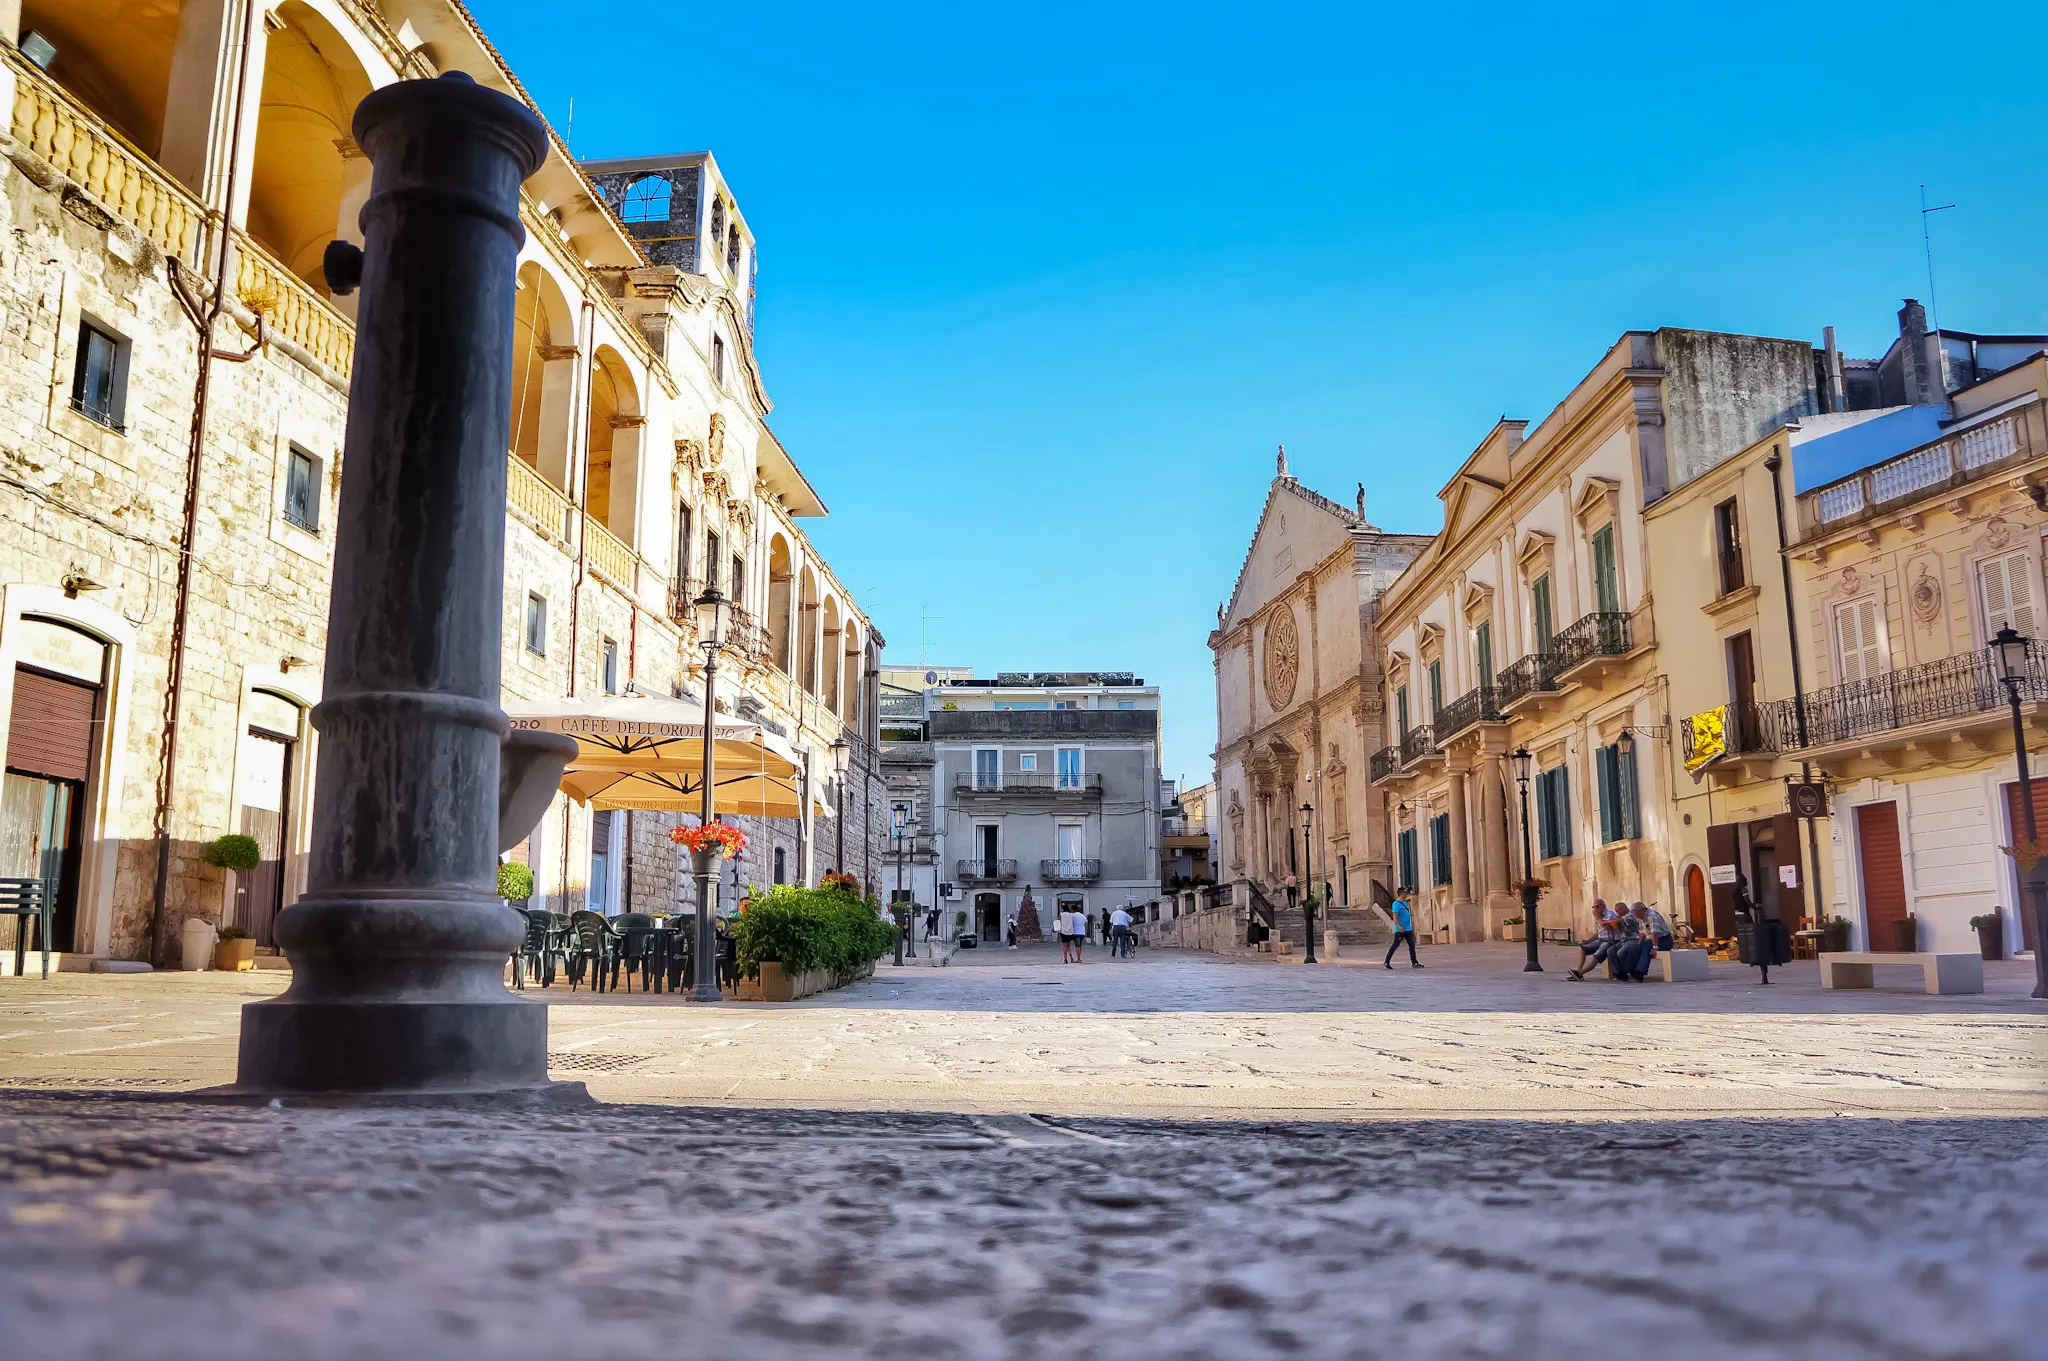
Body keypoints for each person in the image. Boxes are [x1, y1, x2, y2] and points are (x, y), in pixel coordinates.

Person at [1383, 890, 1422, 969]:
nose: (1406, 895)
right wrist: (1399, 926)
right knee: (1395, 945)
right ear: (1401, 894)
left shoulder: (1405, 903)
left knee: (1412, 945)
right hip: (1400, 930)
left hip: (1408, 929)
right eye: (1404, 894)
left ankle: (1414, 962)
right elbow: (1395, 916)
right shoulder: (1396, 904)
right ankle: (1386, 962)